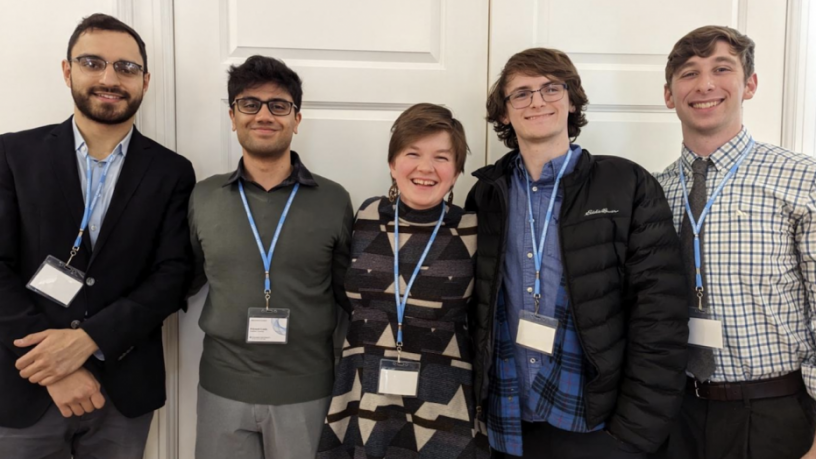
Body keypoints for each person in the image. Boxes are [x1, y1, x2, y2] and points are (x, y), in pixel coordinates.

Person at [465, 47, 689, 458]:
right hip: (506, 419)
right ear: (503, 113)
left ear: (572, 100)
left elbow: (661, 317)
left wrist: (633, 436)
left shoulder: (627, 184)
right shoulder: (486, 195)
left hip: (596, 423)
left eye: (551, 88)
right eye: (521, 93)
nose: (537, 101)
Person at [0, 13, 196, 459]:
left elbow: (173, 275)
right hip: (26, 386)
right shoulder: (12, 153)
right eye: (93, 62)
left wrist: (89, 341)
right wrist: (54, 368)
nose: (110, 78)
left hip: (123, 390)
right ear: (68, 70)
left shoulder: (172, 171)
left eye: (126, 68)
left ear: (145, 81)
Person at [653, 25, 816, 459]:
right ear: (669, 95)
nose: (705, 84)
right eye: (689, 73)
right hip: (676, 415)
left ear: (750, 84)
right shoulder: (651, 192)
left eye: (721, 69)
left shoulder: (802, 180)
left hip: (775, 414)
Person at [188, 54, 353, 459]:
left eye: (279, 105)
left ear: (297, 119)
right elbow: (186, 276)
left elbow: (348, 294)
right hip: (221, 389)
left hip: (307, 391)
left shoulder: (334, 200)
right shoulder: (203, 196)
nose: (264, 115)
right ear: (232, 116)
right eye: (250, 104)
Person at [317, 103, 489, 458]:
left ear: (456, 171)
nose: (426, 168)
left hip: (443, 403)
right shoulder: (366, 216)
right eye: (413, 153)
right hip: (364, 394)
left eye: (442, 157)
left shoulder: (473, 229)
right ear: (392, 164)